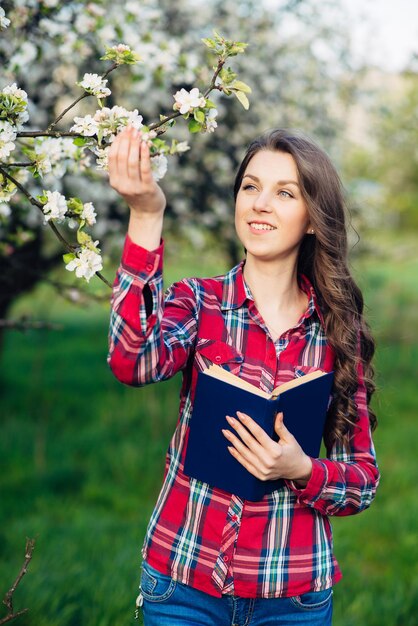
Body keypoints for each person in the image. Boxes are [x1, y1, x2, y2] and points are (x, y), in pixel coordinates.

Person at [107, 126, 380, 626]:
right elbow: (133, 361)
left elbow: (361, 480)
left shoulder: (338, 333)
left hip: (293, 596)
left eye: (285, 193)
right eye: (250, 187)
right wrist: (147, 215)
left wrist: (301, 469)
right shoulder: (199, 302)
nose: (260, 204)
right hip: (183, 584)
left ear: (314, 220)